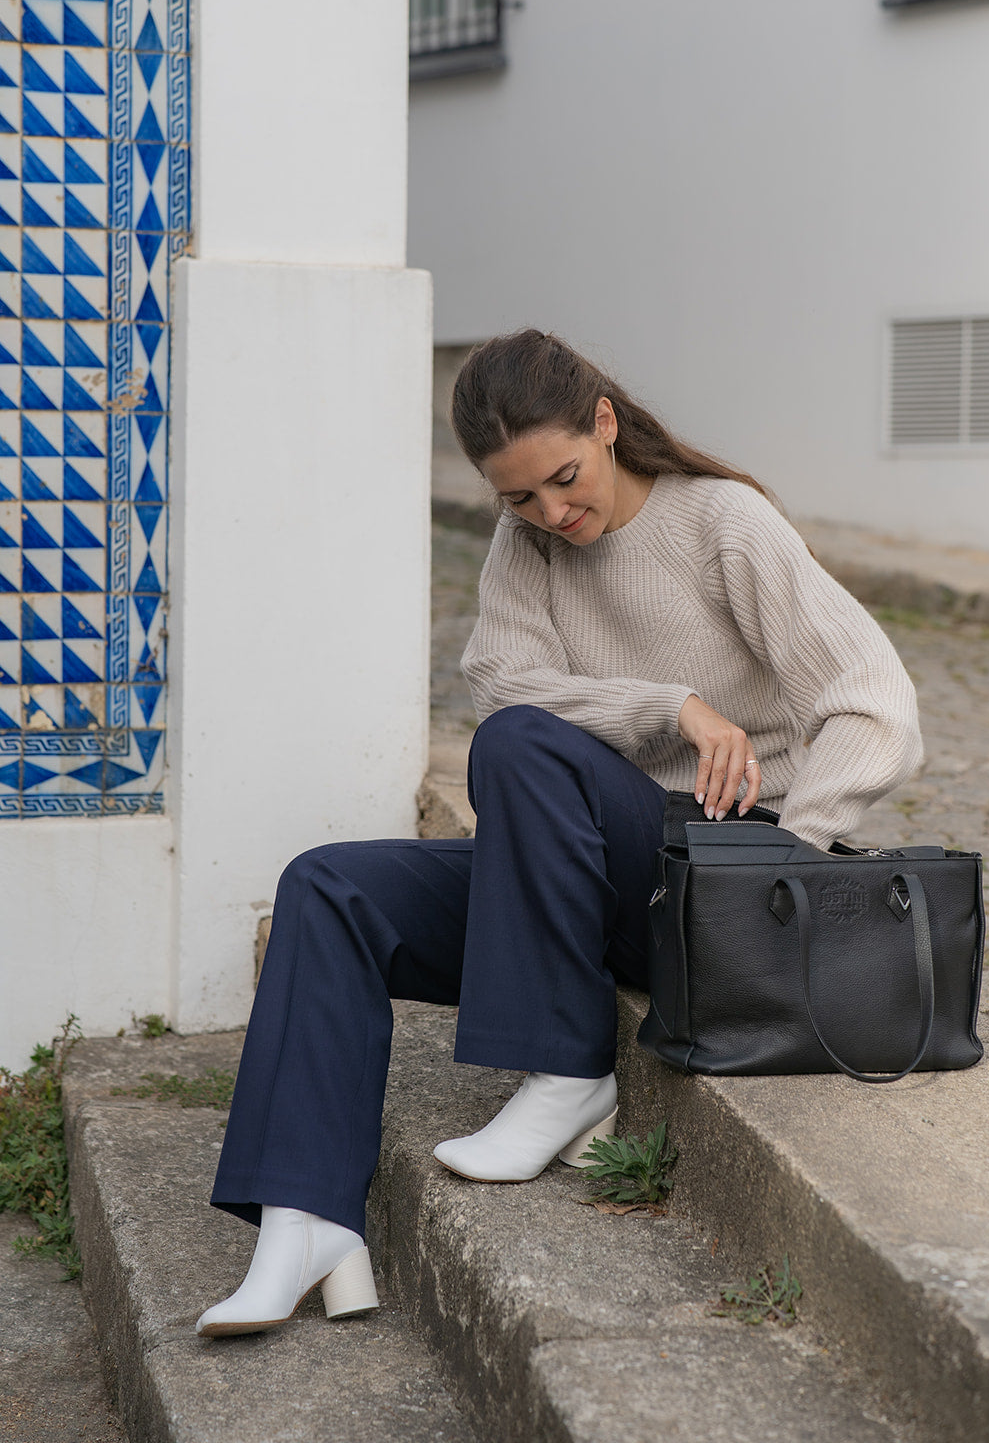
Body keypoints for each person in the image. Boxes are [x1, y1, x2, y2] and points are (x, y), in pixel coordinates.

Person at [195, 329, 923, 1337]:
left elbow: (875, 700)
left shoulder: (722, 524)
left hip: (717, 878)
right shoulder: (528, 546)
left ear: (606, 423)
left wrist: (781, 866)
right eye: (518, 498)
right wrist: (671, 706)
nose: (551, 513)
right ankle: (305, 1219)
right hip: (588, 872)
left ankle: (568, 1066)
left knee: (517, 747)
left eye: (564, 479)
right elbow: (500, 677)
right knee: (327, 886)